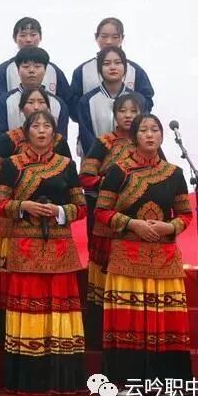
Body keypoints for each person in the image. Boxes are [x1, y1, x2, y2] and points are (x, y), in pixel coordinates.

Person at [95, 114, 192, 396]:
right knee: (130, 321)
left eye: (155, 130)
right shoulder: (118, 171)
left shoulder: (174, 173)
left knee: (166, 321)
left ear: (162, 135)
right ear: (135, 136)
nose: (150, 135)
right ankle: (128, 381)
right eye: (144, 130)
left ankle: (168, 383)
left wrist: (169, 227)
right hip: (127, 256)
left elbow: (185, 214)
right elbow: (101, 212)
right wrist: (132, 224)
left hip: (164, 257)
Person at [0, 110, 86, 394]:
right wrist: (23, 206)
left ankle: (61, 378)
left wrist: (59, 211)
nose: (41, 130)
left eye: (47, 126)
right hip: (24, 247)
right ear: (26, 132)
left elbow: (81, 207)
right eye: (35, 126)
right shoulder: (12, 164)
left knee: (60, 308)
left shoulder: (66, 165)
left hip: (60, 247)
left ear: (55, 134)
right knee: (27, 308)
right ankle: (27, 378)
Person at [0, 88, 71, 345]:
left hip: (52, 222)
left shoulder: (59, 142)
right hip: (15, 218)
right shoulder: (8, 140)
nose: (36, 106)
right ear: (22, 109)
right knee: (15, 281)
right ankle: (10, 329)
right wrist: (20, 186)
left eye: (41, 102)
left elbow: (68, 183)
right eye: (30, 102)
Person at [79, 94, 144, 350]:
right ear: (114, 115)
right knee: (104, 279)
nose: (128, 115)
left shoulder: (147, 141)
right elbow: (85, 176)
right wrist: (113, 185)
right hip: (107, 221)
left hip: (138, 224)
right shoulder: (104, 142)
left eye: (133, 111)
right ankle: (101, 337)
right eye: (122, 111)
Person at [69, 17, 154, 116]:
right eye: (104, 36)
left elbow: (146, 102)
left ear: (122, 38)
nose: (109, 41)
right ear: (96, 37)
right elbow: (73, 105)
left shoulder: (135, 71)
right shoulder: (83, 70)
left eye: (115, 37)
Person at [76, 46, 145, 155]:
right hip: (96, 161)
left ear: (125, 67)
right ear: (100, 69)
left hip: (134, 160)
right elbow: (86, 136)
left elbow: (143, 131)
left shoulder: (138, 99)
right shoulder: (87, 101)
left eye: (118, 63)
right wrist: (101, 158)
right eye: (106, 64)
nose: (113, 67)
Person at [0, 17, 70, 108]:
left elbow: (66, 102)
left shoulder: (53, 70)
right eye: (23, 35)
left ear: (40, 37)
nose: (28, 39)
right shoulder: (4, 70)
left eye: (33, 35)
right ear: (15, 38)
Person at [0, 46, 69, 142]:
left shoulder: (58, 103)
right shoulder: (4, 102)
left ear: (45, 70)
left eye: (37, 66)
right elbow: (0, 139)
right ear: (18, 70)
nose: (31, 70)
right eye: (26, 67)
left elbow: (61, 141)